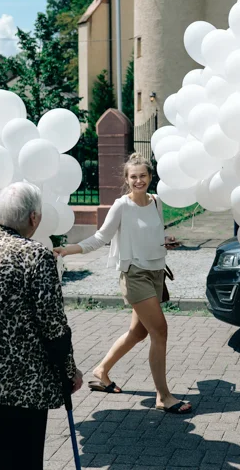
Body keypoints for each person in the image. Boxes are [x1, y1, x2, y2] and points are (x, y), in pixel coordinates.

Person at [0, 182, 82, 469]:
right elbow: (54, 326)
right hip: (20, 385)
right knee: (21, 461)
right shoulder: (36, 256)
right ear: (34, 218)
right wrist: (69, 371)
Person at [54, 153, 192, 414]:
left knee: (139, 333)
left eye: (143, 175)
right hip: (134, 275)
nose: (138, 180)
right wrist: (68, 250)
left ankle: (101, 371)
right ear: (126, 180)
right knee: (160, 330)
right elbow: (100, 237)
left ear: (150, 177)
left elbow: (155, 233)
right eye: (133, 176)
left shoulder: (157, 202)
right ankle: (163, 396)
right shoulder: (121, 206)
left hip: (156, 273)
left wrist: (167, 239)